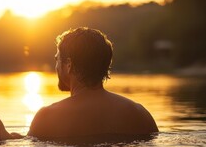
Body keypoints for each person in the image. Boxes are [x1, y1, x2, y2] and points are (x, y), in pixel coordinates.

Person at [28, 27, 158, 139]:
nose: (56, 67)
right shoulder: (139, 114)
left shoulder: (47, 117)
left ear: (68, 64)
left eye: (57, 59)